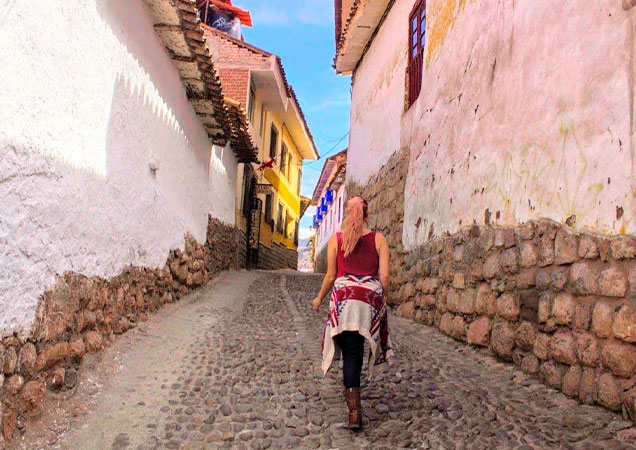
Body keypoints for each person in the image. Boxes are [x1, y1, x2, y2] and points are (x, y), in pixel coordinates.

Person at [312, 196, 393, 430]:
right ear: (367, 214)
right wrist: (382, 297)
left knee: (350, 353)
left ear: (346, 214)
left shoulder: (336, 240)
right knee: (357, 351)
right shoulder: (379, 239)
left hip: (345, 301)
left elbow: (330, 275)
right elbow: (384, 276)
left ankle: (354, 412)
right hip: (367, 303)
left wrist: (319, 298)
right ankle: (355, 400)